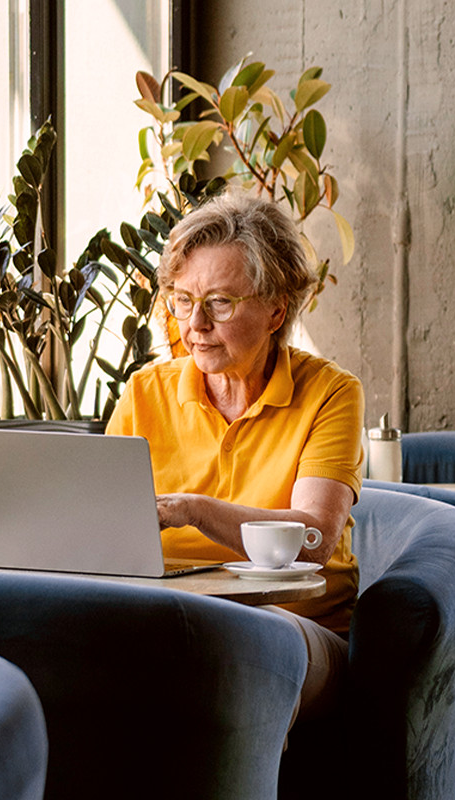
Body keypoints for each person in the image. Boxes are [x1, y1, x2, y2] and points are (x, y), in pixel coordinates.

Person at [105, 191, 363, 721]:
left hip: (298, 626)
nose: (194, 324)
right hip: (170, 621)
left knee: (242, 655)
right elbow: (98, 527)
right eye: (182, 300)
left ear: (275, 310)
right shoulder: (144, 393)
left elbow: (313, 539)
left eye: (219, 302)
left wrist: (193, 510)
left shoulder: (331, 393)